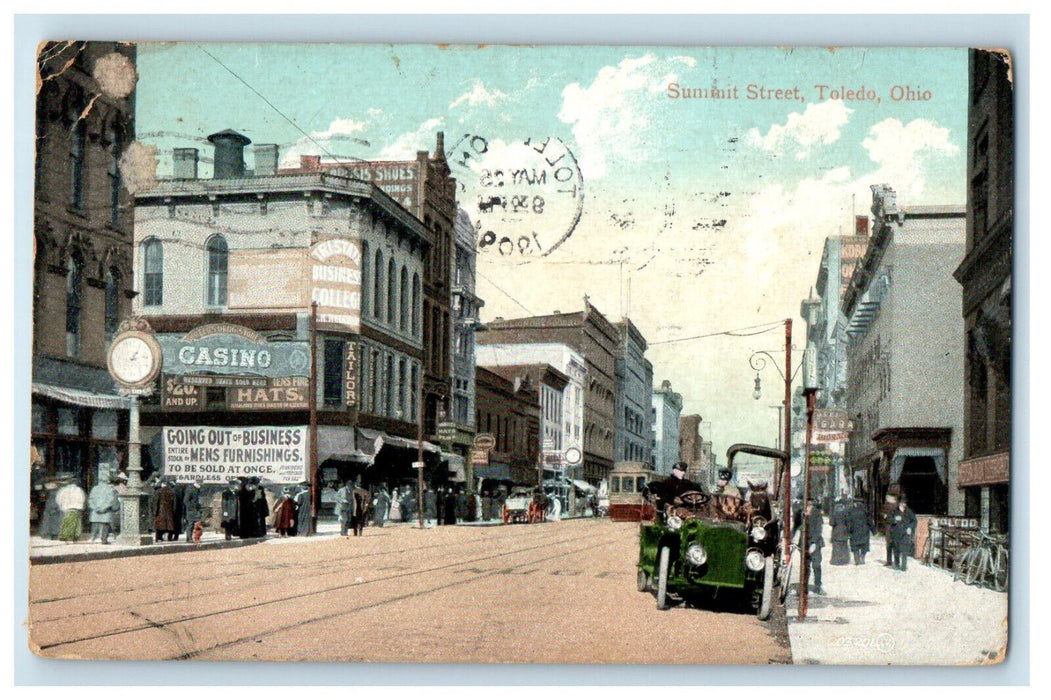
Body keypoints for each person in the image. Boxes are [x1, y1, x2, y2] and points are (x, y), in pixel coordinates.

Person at [87, 472, 120, 544]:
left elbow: (91, 499)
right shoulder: (110, 489)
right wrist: (104, 508)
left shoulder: (95, 488)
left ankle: (93, 537)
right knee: (105, 525)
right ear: (108, 481)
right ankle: (104, 539)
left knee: (95, 524)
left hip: (96, 510)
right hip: (106, 510)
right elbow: (111, 501)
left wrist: (95, 508)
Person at [887, 495, 917, 571]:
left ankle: (903, 566)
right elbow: (888, 519)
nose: (903, 505)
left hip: (905, 534)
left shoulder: (909, 512)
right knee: (896, 550)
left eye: (904, 503)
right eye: (902, 503)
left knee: (904, 550)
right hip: (896, 533)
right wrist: (894, 519)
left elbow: (914, 521)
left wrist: (910, 527)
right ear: (899, 504)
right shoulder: (894, 511)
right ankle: (897, 564)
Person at [56, 475, 87, 543]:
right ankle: (74, 537)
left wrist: (61, 506)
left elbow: (58, 499)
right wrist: (81, 506)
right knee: (76, 524)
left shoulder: (63, 490)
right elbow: (82, 499)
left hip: (66, 508)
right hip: (76, 508)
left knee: (66, 523)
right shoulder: (79, 490)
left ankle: (66, 537)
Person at [803, 499, 825, 595]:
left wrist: (814, 543)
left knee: (816, 565)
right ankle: (804, 588)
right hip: (804, 543)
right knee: (805, 567)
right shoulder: (802, 513)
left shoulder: (817, 514)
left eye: (810, 505)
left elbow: (818, 529)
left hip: (815, 543)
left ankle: (817, 586)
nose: (808, 507)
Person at [828, 493, 853, 566]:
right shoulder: (845, 513)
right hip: (844, 531)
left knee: (836, 547)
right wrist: (848, 530)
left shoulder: (834, 513)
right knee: (844, 546)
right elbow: (848, 523)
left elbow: (831, 523)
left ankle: (836, 560)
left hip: (836, 531)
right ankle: (844, 560)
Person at [847, 495, 871, 565]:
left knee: (855, 546)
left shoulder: (851, 511)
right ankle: (862, 557)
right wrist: (873, 530)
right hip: (864, 531)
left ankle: (857, 559)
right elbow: (870, 521)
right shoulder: (866, 510)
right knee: (864, 546)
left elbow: (848, 521)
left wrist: (848, 530)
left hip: (854, 531)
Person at [182, 478, 205, 543]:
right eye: (200, 484)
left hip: (196, 510)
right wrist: (192, 507)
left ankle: (197, 538)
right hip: (191, 510)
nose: (201, 486)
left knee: (198, 525)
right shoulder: (190, 489)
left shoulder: (197, 489)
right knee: (190, 524)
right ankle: (189, 538)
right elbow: (185, 501)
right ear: (197, 483)